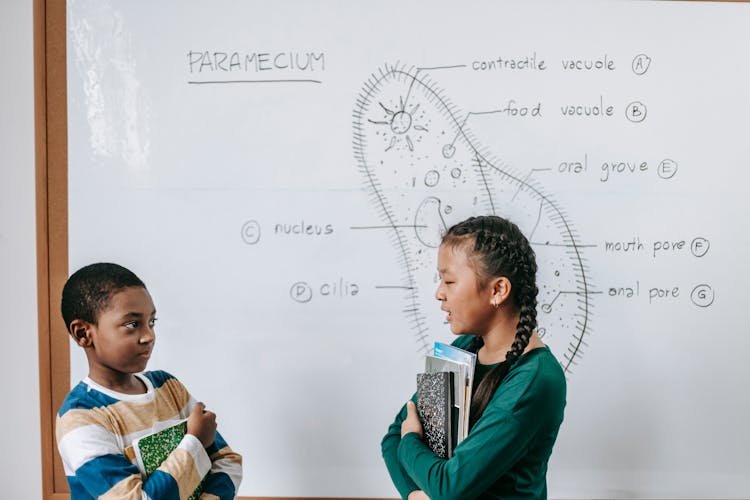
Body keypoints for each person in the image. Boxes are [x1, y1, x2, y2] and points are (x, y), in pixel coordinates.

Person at [381, 215, 566, 500]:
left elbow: (448, 487)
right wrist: (415, 495)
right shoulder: (464, 347)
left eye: (449, 281)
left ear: (498, 290)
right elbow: (393, 435)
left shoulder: (536, 379)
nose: (439, 293)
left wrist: (411, 440)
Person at [56, 263, 242, 499]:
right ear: (83, 334)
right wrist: (194, 441)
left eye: (151, 322)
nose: (149, 336)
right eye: (132, 324)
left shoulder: (168, 386)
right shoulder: (81, 417)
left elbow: (227, 461)